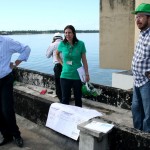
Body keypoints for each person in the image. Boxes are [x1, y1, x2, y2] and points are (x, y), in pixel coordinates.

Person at [0, 35, 31, 147]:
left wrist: (15, 63)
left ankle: (16, 135)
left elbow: (26, 48)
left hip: (5, 79)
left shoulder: (7, 41)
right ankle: (6, 135)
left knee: (7, 110)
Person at [56, 25, 90, 107]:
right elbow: (56, 54)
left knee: (78, 99)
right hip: (65, 75)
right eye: (66, 33)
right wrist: (62, 63)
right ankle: (65, 117)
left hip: (77, 76)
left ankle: (79, 118)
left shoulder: (81, 44)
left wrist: (87, 73)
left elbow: (84, 60)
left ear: (74, 33)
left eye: (69, 33)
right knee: (65, 99)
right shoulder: (62, 44)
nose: (67, 35)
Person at [131, 3, 150, 132]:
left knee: (148, 115)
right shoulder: (143, 33)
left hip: (147, 82)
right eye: (136, 17)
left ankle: (146, 140)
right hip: (137, 80)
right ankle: (137, 135)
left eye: (141, 16)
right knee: (136, 109)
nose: (137, 20)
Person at [46, 32, 63, 102]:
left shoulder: (52, 44)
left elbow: (47, 56)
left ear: (54, 38)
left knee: (58, 83)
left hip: (58, 66)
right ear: (62, 38)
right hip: (67, 66)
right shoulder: (66, 44)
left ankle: (61, 99)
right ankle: (66, 97)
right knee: (65, 82)